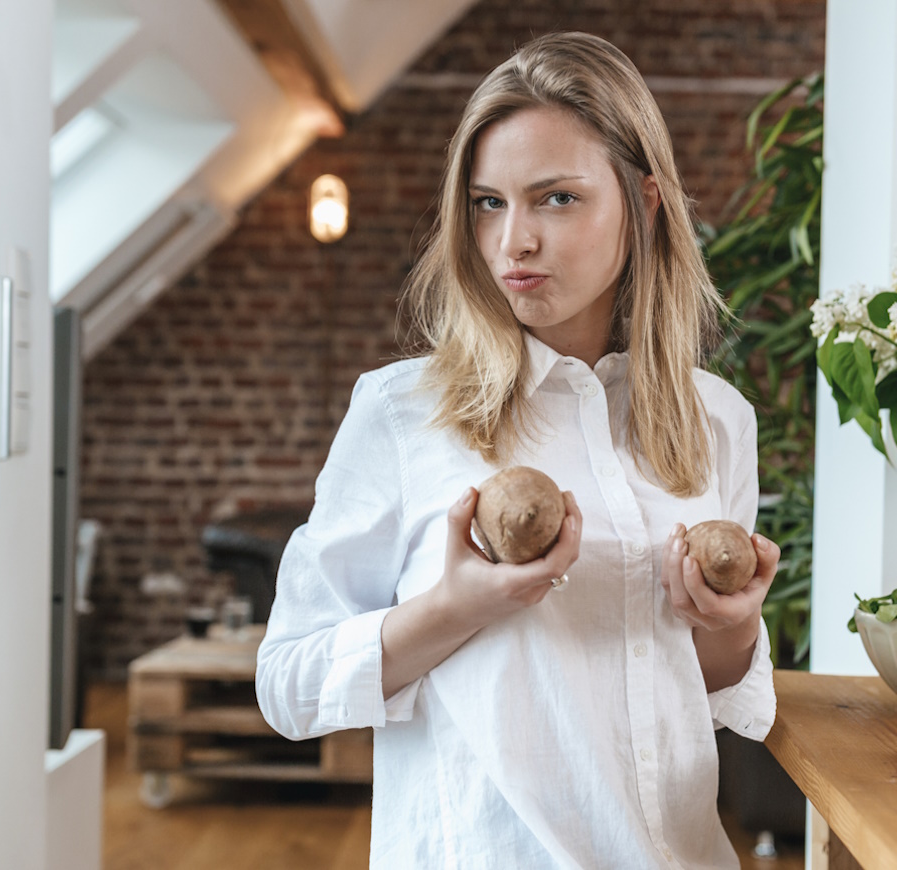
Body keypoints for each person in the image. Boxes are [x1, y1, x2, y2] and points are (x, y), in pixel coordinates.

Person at [256, 31, 781, 869]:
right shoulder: (403, 412)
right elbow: (286, 683)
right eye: (487, 203)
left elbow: (705, 690)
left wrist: (732, 622)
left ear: (644, 204)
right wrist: (456, 608)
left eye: (557, 199)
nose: (513, 243)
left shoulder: (714, 419)